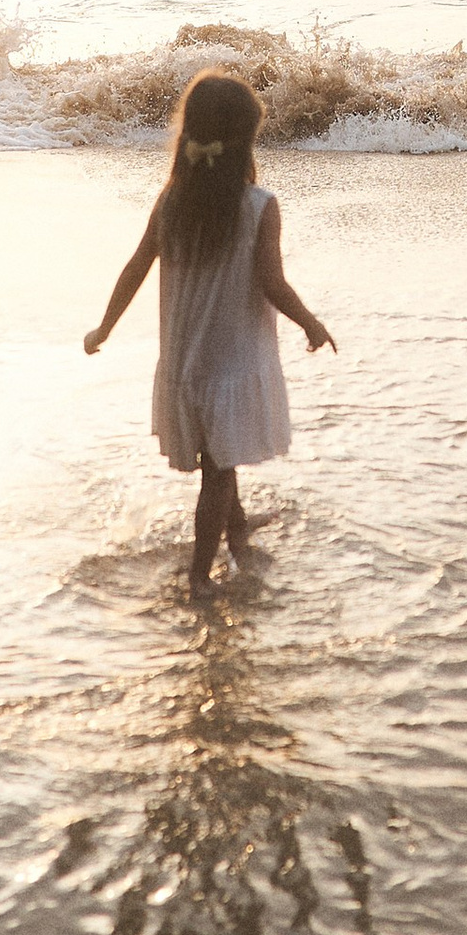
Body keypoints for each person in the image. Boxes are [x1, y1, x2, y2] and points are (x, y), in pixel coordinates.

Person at [84, 71, 335, 588]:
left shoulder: (172, 200)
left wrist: (104, 326)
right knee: (218, 471)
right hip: (230, 363)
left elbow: (135, 266)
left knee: (218, 459)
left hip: (183, 366)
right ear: (245, 142)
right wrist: (310, 322)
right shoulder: (259, 206)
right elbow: (272, 283)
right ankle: (200, 577)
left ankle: (236, 526)